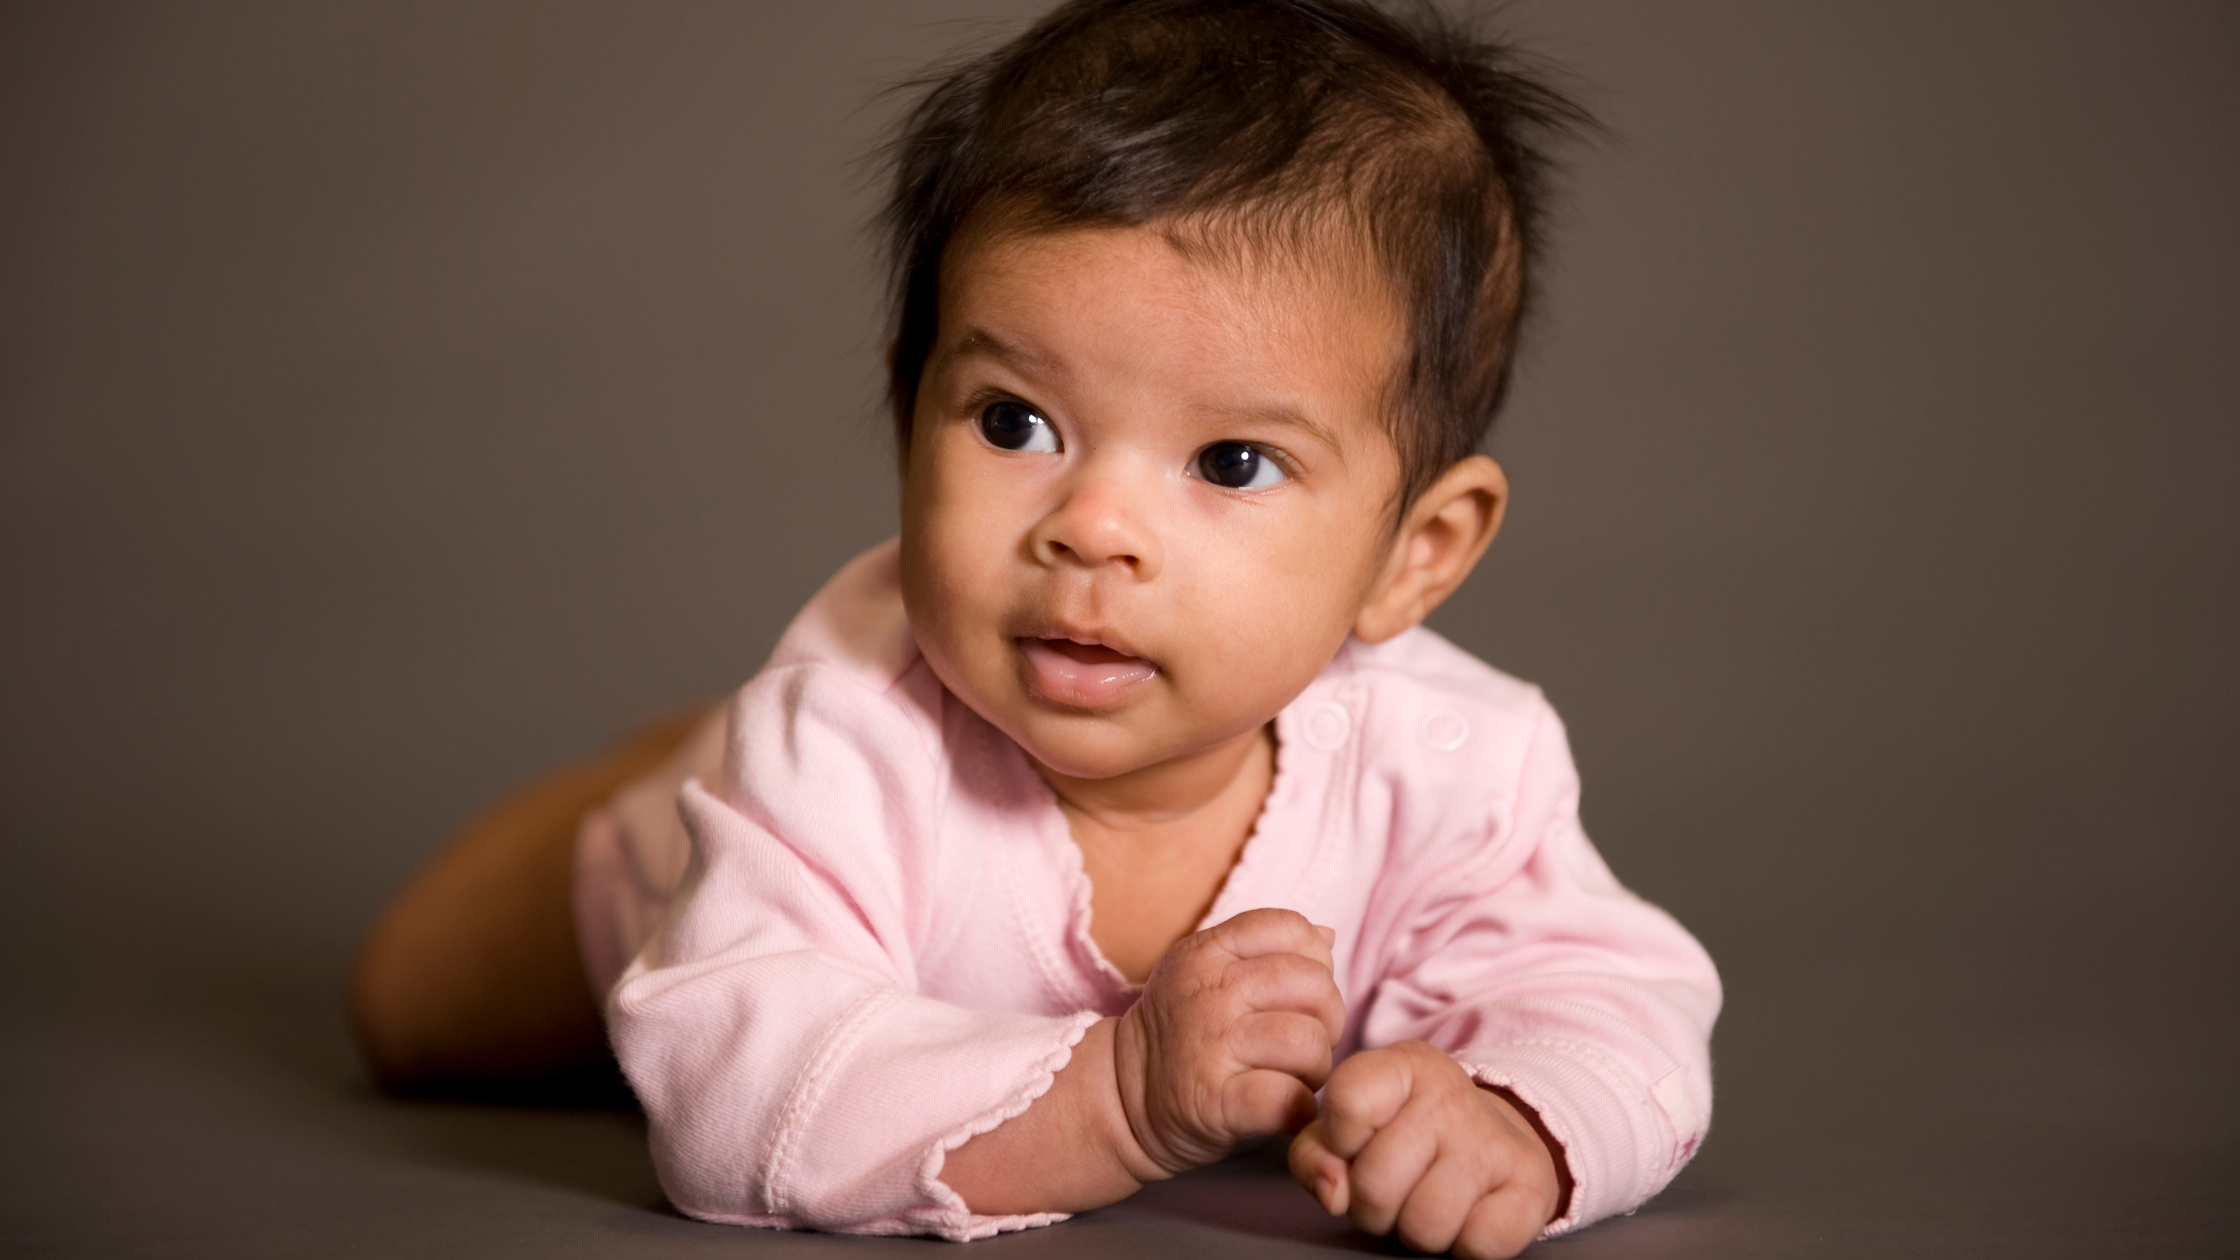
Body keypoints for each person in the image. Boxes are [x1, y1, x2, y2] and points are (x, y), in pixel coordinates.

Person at [349, 2, 1721, 1255]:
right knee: (411, 1006)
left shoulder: (1451, 766)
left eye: (1231, 462)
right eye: (1017, 423)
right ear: (911, 416)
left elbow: (1616, 1001)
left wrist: (1521, 1124)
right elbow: (728, 1102)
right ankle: (666, 780)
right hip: (681, 868)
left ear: (1412, 554)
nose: (1092, 529)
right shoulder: (849, 745)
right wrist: (1114, 1097)